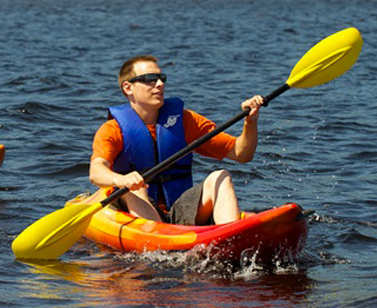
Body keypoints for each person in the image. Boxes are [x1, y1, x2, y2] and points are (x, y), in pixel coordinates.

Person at [89, 55, 264, 225]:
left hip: (178, 208)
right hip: (136, 210)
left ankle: (230, 236)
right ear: (128, 88)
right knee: (134, 190)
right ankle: (156, 241)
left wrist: (250, 122)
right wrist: (121, 180)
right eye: (150, 79)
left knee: (221, 176)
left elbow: (242, 154)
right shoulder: (113, 129)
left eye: (161, 77)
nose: (160, 84)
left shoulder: (185, 121)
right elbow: (96, 172)